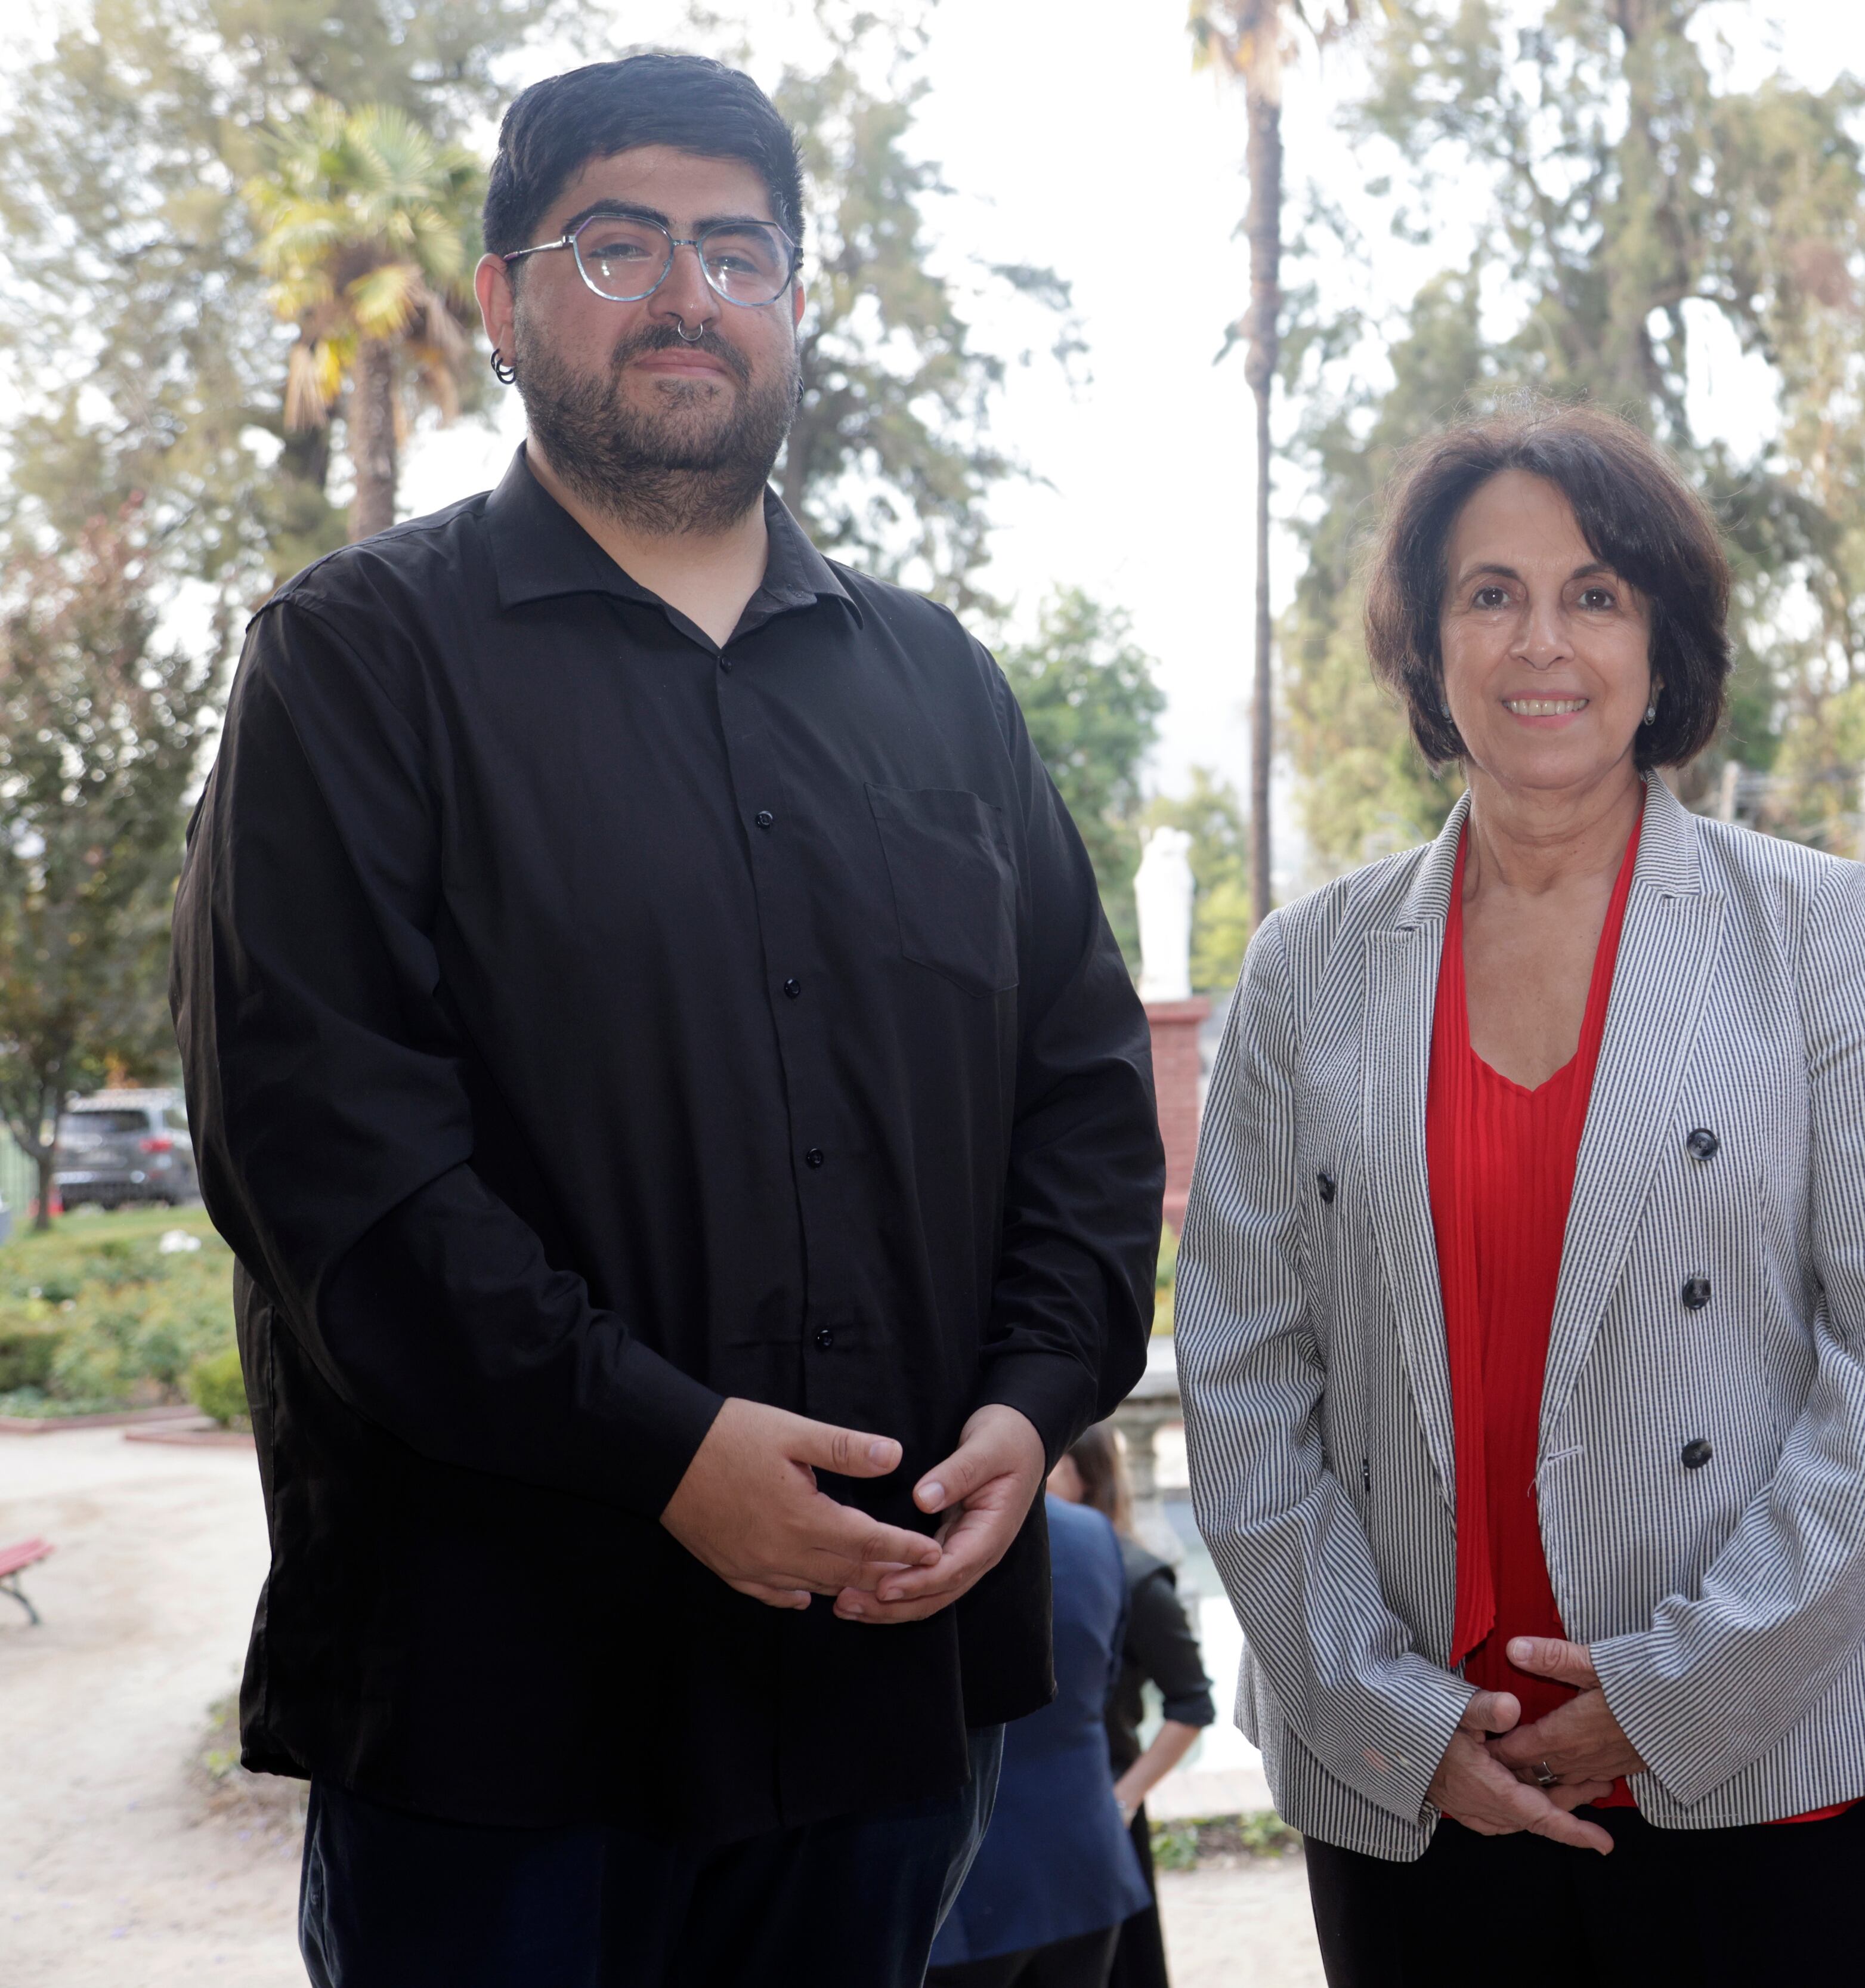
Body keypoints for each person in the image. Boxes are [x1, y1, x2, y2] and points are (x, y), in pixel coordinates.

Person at [169, 51, 1164, 1988]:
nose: (689, 293)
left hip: (891, 1704)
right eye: (619, 246)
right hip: (507, 1714)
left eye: (737, 248)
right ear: (501, 299)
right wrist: (664, 1448)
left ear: (795, 295)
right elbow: (326, 1158)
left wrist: (1033, 1408)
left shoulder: (944, 689)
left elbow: (1085, 1095)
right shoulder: (358, 665)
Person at [1176, 403, 1865, 1988]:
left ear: (1664, 645)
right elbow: (1242, 1378)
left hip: (1780, 1766)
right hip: (1419, 1782)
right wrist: (1388, 1715)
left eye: (1595, 593)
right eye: (1491, 592)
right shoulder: (1305, 965)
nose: (1542, 641)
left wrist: (1678, 1694)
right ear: (1428, 644)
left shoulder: (1819, 928)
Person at [926, 1486, 1152, 1987]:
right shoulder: (1095, 1532)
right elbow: (1107, 1680)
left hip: (966, 1877)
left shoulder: (911, 1533)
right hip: (1085, 1856)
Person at [1053, 1424, 1216, 1988]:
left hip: (1105, 1809)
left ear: (1085, 1472)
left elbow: (1193, 1706)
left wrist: (1122, 1799)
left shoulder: (1138, 1576)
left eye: (1048, 1459)